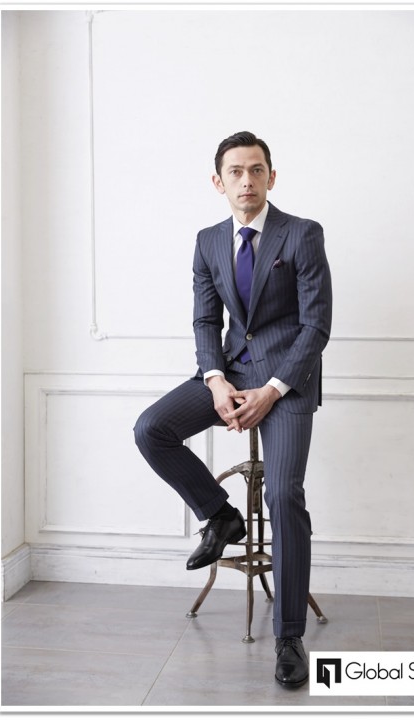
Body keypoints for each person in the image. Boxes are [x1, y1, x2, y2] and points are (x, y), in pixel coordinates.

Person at [134, 131, 332, 688]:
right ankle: (220, 515)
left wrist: (272, 390)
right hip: (230, 372)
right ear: (219, 182)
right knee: (152, 429)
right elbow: (206, 320)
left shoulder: (302, 234)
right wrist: (216, 379)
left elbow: (316, 325)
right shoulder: (208, 241)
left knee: (283, 494)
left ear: (272, 176)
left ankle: (288, 636)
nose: (247, 180)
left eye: (257, 170)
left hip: (286, 382)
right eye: (236, 172)